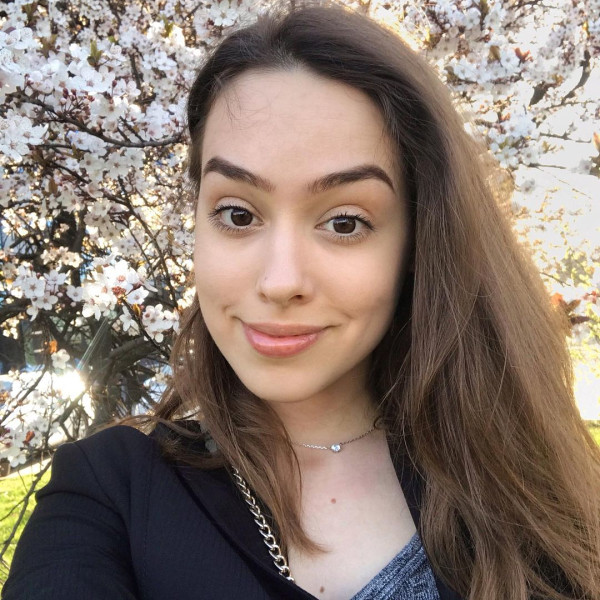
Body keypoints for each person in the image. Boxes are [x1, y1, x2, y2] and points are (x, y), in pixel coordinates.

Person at [4, 1, 600, 599]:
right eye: (237, 215)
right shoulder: (107, 491)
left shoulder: (533, 489)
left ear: (420, 241)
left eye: (344, 222)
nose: (280, 280)